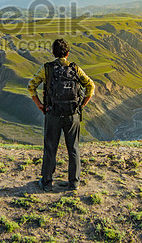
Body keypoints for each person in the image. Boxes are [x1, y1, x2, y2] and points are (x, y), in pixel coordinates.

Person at [27, 38, 95, 191]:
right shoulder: (75, 69)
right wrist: (81, 105)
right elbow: (90, 86)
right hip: (72, 115)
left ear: (53, 53)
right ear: (68, 53)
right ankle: (74, 183)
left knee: (50, 147)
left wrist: (39, 105)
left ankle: (47, 182)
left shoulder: (46, 69)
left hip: (53, 114)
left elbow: (31, 86)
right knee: (73, 148)